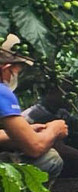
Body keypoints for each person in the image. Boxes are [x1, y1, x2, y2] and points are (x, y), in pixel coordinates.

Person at [0, 37, 67, 180]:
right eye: (17, 71)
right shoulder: (1, 92)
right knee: (50, 159)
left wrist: (23, 132)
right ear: (6, 68)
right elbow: (35, 147)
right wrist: (55, 130)